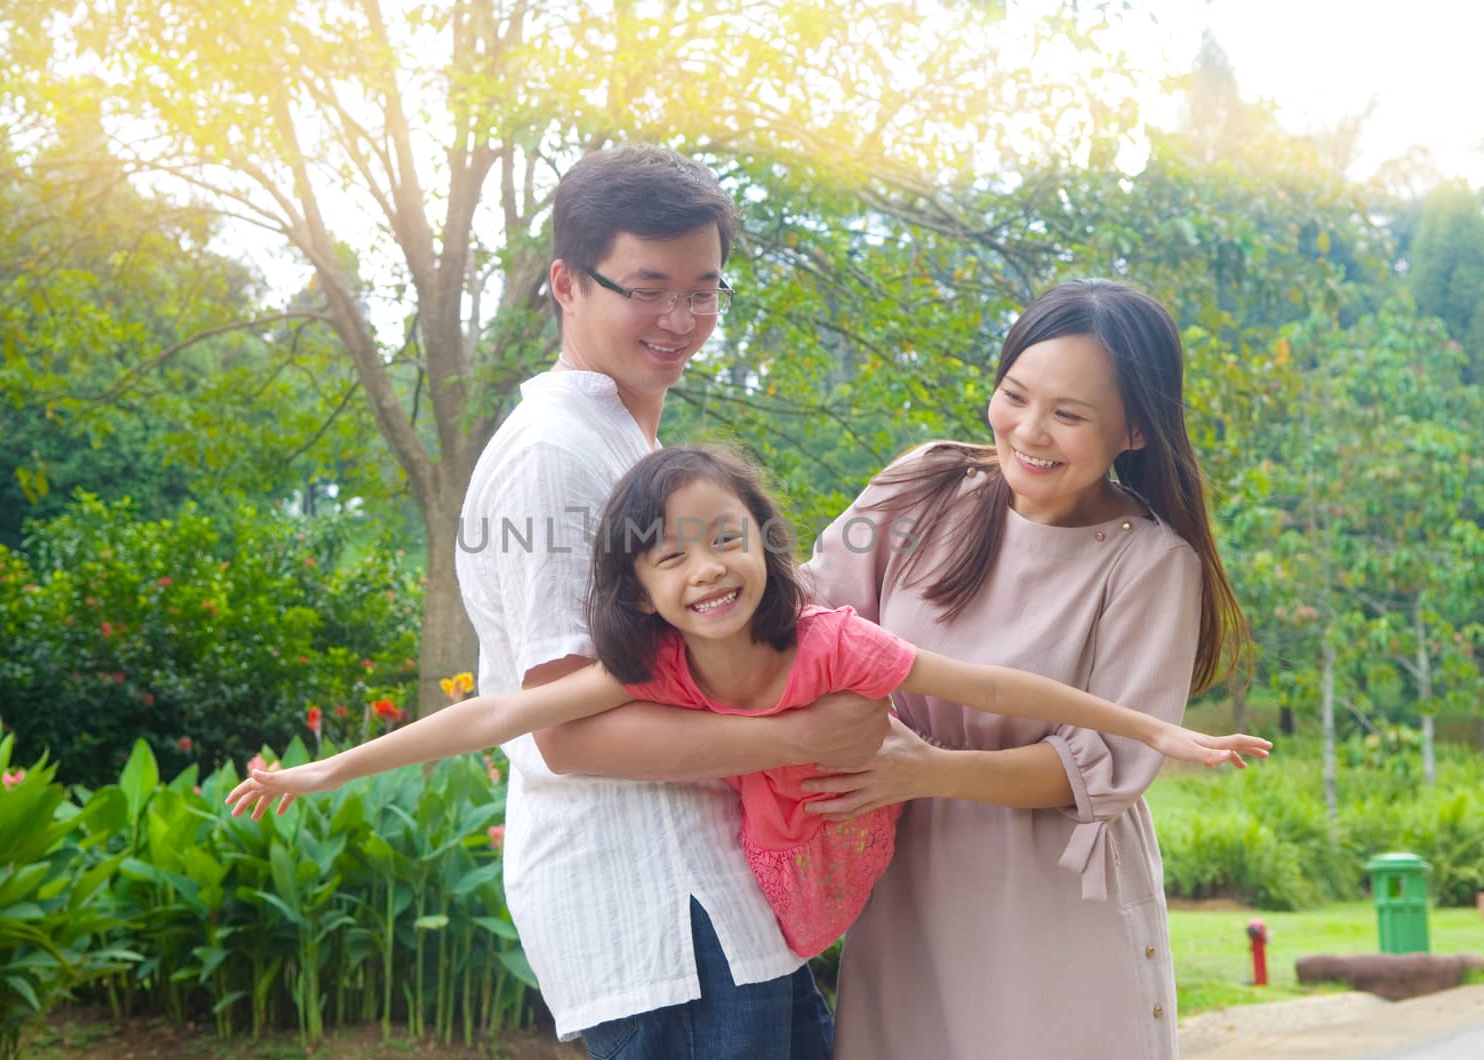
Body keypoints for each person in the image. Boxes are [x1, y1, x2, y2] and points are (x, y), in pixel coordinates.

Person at [225, 445, 1267, 959]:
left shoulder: (831, 641)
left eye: (727, 538)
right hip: (776, 898)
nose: (705, 571)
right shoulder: (658, 665)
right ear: (638, 590)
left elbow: (995, 685)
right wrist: (327, 767)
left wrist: (1153, 728)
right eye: (669, 556)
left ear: (768, 546)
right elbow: (495, 714)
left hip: (858, 871)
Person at [399, 144, 887, 1060]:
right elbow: (567, 732)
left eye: (703, 290)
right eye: (648, 287)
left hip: (720, 909)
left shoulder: (624, 444)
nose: (680, 318)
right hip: (657, 915)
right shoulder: (556, 455)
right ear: (566, 284)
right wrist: (797, 738)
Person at [800, 278, 1251, 1059]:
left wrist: (927, 769)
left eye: (1069, 415)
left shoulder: (1148, 564)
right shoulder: (923, 485)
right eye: (1015, 395)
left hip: (1053, 899)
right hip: (904, 878)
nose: (1030, 431)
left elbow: (1100, 766)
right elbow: (811, 619)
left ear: (1135, 430)